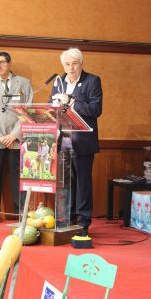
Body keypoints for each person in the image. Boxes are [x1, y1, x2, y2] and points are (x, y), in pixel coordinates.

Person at [49, 48, 102, 236]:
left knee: (83, 183)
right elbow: (51, 108)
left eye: (74, 63)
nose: (70, 68)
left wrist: (71, 103)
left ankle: (83, 221)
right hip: (62, 140)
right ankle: (65, 218)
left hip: (82, 141)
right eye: (67, 64)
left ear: (81, 63)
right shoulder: (58, 82)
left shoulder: (92, 81)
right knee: (64, 182)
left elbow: (96, 109)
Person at [0, 51, 33, 225]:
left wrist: (13, 135)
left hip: (17, 139)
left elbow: (28, 110)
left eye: (2, 62)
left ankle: (20, 215)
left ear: (9, 64)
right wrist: (0, 136)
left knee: (19, 178)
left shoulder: (23, 83)